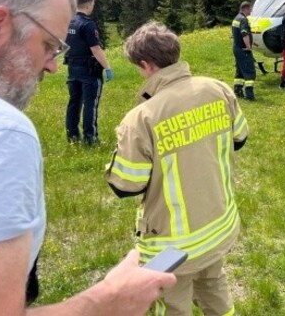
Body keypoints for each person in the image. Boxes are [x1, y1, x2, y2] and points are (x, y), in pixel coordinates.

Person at [0, 0, 175, 314]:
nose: (52, 65)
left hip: (81, 76)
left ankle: (76, 134)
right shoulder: (3, 133)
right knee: (88, 109)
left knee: (74, 108)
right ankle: (85, 137)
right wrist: (107, 301)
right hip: (88, 74)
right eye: (47, 45)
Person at [106, 21, 249, 315]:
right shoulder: (218, 89)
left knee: (173, 304)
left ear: (146, 64)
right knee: (214, 286)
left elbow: (125, 185)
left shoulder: (141, 117)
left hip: (174, 245)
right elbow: (240, 138)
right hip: (218, 224)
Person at [64, 0, 112, 145]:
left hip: (72, 68)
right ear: (88, 5)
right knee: (90, 104)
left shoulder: (69, 22)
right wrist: (107, 67)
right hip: (89, 70)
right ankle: (90, 138)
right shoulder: (87, 24)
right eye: (92, 4)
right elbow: (96, 49)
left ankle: (72, 136)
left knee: (74, 103)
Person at [231, 1, 255, 101]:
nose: (251, 11)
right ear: (245, 9)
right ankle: (249, 96)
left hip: (236, 48)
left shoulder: (236, 18)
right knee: (249, 71)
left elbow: (234, 34)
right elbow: (244, 34)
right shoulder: (243, 20)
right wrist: (248, 47)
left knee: (240, 71)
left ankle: (237, 90)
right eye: (250, 9)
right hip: (243, 49)